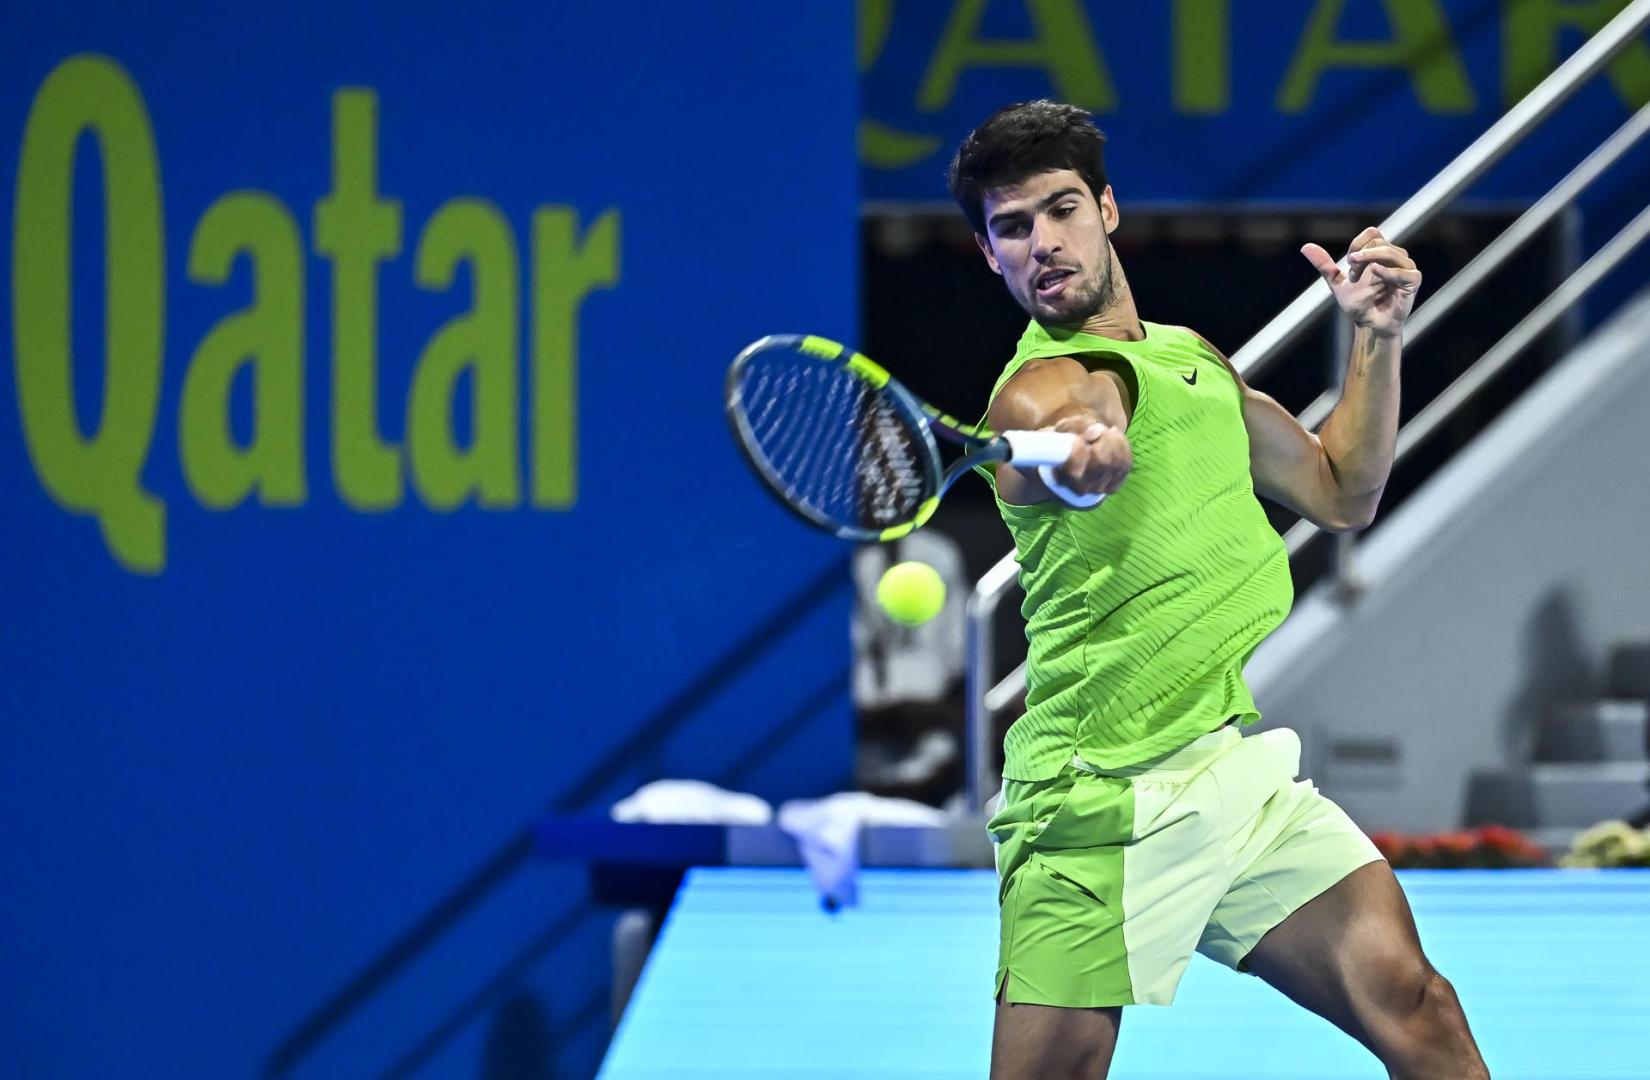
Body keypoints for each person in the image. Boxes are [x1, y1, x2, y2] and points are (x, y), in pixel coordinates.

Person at [950, 100, 1489, 1079]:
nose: (1043, 243)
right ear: (990, 256)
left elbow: (1340, 489)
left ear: (1107, 210)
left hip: (1225, 769)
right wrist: (1081, 459)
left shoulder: (1192, 362)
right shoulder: (1037, 392)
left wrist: (1374, 337)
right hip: (1092, 795)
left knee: (1418, 1004)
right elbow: (1063, 441)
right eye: (1012, 228)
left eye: (1060, 210)